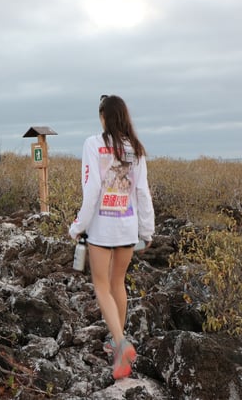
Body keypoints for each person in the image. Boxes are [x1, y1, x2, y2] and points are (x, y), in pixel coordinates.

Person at [68, 95, 155, 380]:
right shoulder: (136, 149)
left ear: (104, 116)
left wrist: (78, 225)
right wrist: (147, 230)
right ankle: (117, 338)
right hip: (127, 226)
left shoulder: (93, 144)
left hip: (102, 228)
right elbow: (142, 192)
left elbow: (91, 189)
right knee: (119, 283)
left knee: (101, 286)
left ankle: (120, 344)